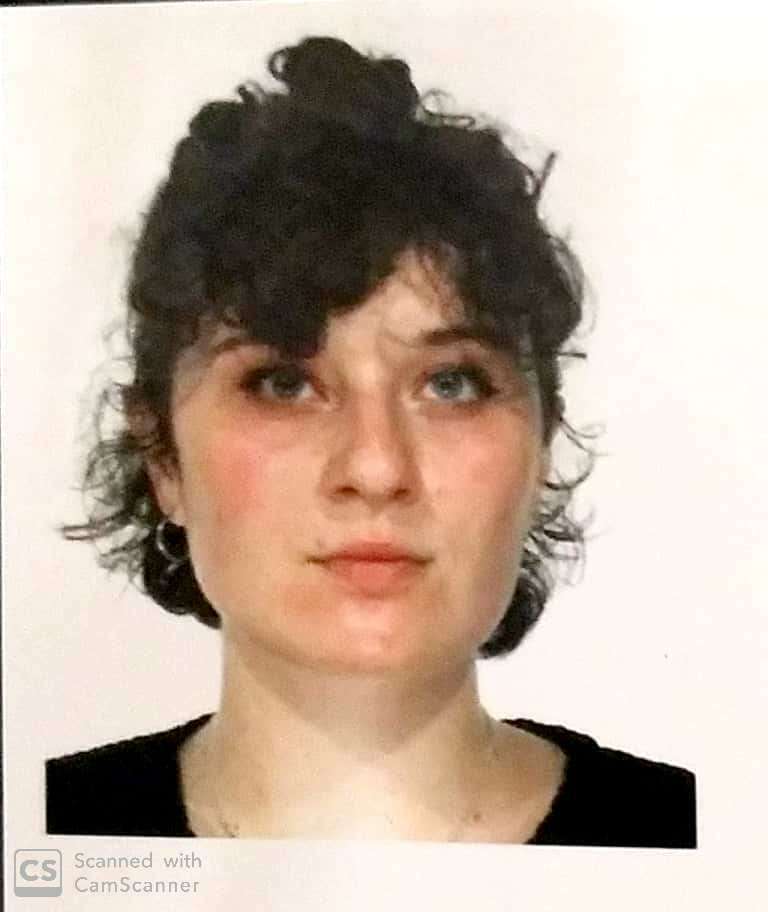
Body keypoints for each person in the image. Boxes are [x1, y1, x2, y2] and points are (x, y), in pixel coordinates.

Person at [45, 35, 695, 847]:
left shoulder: (706, 847)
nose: (377, 467)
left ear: (543, 446)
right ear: (161, 457)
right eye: (283, 383)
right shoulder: (46, 837)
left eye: (451, 384)